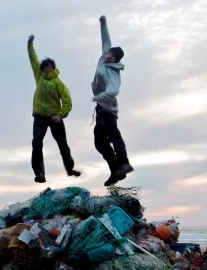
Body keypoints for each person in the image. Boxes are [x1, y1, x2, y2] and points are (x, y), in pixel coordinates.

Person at [27, 34, 81, 183]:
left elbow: (67, 101)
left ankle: (70, 169)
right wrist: (30, 45)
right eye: (45, 67)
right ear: (42, 69)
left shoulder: (58, 83)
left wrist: (60, 115)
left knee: (62, 144)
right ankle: (40, 173)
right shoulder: (39, 77)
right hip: (40, 117)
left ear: (53, 68)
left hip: (55, 117)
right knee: (37, 142)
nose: (47, 69)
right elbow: (33, 60)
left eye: (49, 67)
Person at [91, 15, 132, 186]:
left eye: (112, 56)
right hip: (100, 109)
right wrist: (103, 24)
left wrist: (99, 97)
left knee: (113, 133)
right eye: (109, 53)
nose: (108, 56)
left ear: (116, 60)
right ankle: (115, 170)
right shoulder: (103, 57)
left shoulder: (113, 73)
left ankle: (124, 163)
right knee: (100, 142)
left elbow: (114, 91)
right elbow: (106, 40)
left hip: (109, 109)